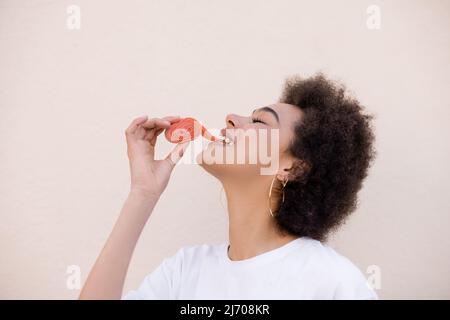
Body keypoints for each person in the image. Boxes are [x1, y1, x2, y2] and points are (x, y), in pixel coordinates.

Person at [79, 73, 378, 300]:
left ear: (293, 166)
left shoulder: (333, 281)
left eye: (259, 122)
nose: (232, 119)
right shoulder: (184, 271)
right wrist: (142, 194)